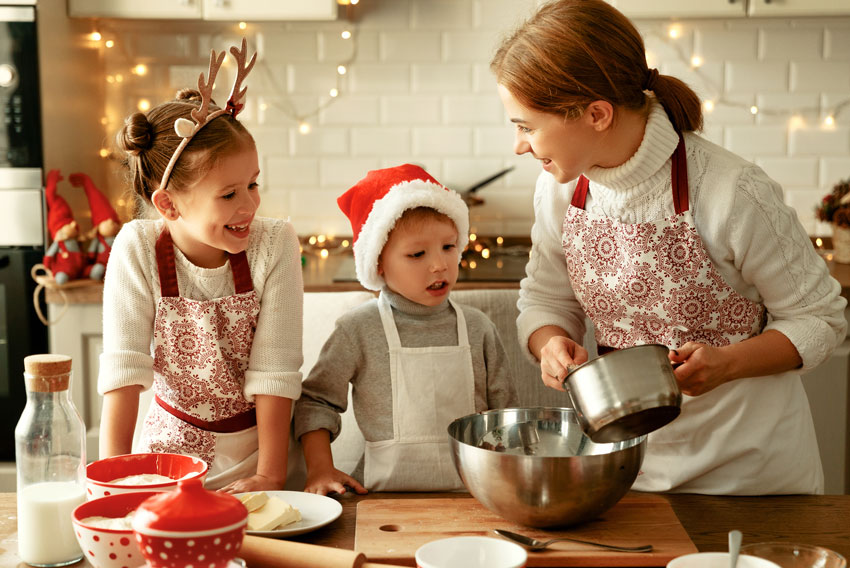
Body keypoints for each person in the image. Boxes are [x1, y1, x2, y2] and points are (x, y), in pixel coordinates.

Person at [491, 0, 847, 494]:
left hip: (750, 472)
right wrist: (549, 342)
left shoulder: (731, 191)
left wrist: (728, 363)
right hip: (628, 470)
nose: (519, 145)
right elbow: (546, 299)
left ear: (596, 114)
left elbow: (820, 319)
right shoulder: (558, 189)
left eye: (527, 126)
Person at [98, 39, 303, 493]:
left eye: (253, 184)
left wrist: (269, 475)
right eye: (229, 194)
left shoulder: (274, 244)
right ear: (169, 204)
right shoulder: (138, 248)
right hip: (170, 454)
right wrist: (111, 481)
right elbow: (124, 369)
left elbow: (275, 369)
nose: (250, 203)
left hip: (261, 451)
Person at [293, 164, 518, 495]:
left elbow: (506, 415)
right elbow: (316, 402)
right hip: (380, 497)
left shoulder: (477, 327)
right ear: (379, 264)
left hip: (472, 496)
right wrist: (320, 469)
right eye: (417, 253)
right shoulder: (358, 329)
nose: (440, 264)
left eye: (449, 246)